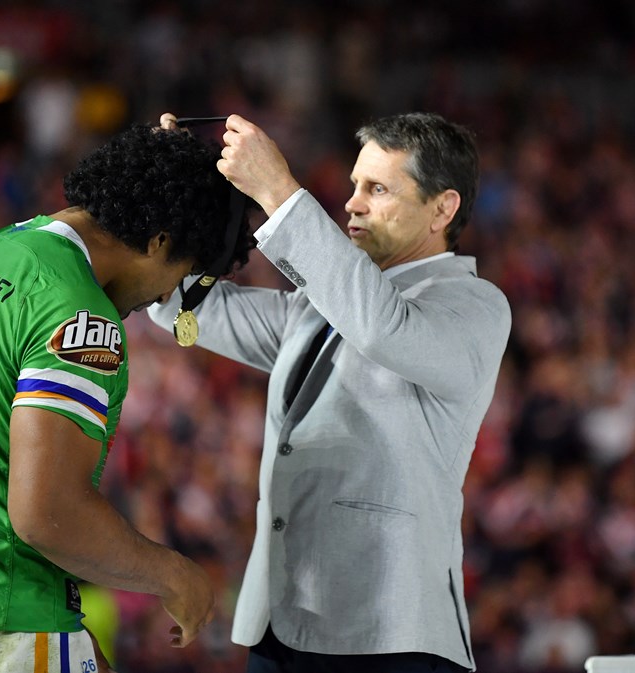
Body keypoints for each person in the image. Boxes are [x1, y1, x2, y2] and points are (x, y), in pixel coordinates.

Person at [0, 123, 254, 673]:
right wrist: (172, 573)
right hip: (1, 617)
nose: (162, 298)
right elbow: (45, 511)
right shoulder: (79, 311)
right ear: (161, 241)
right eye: (179, 275)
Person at [149, 112, 512, 672]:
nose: (353, 204)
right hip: (281, 621)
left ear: (444, 208)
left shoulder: (474, 306)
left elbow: (382, 326)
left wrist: (277, 190)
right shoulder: (318, 304)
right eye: (354, 186)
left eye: (378, 188)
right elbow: (185, 307)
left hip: (390, 634)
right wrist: (173, 189)